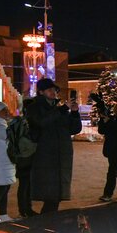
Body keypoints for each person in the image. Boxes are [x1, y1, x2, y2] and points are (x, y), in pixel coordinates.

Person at [27, 78, 82, 213]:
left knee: (56, 196)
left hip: (61, 156)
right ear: (41, 92)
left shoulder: (58, 109)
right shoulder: (34, 107)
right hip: (45, 156)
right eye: (49, 89)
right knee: (50, 196)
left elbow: (74, 129)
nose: (53, 92)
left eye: (54, 90)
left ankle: (47, 223)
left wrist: (74, 113)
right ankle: (45, 224)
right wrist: (63, 109)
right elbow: (41, 122)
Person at [14, 98, 37, 217]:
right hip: (25, 157)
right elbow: (25, 140)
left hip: (23, 157)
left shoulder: (23, 121)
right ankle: (24, 209)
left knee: (26, 184)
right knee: (25, 185)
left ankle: (26, 208)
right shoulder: (25, 122)